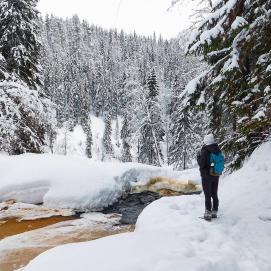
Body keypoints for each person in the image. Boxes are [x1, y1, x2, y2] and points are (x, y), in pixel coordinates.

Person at [197, 134, 224, 221]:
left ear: (206, 141)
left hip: (206, 176)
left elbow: (202, 164)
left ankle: (208, 212)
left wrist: (198, 157)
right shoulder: (217, 149)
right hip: (215, 175)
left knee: (207, 195)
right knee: (214, 193)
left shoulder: (205, 150)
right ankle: (214, 211)